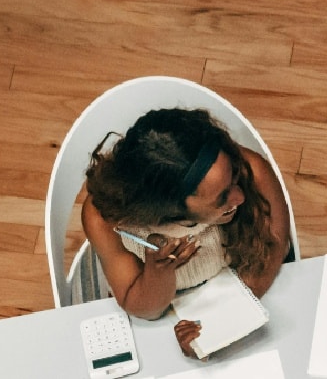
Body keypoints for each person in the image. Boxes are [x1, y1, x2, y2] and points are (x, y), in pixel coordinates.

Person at [81, 108, 292, 358]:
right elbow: (145, 310)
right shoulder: (103, 220)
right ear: (169, 211)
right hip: (165, 309)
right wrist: (159, 273)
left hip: (242, 286)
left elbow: (270, 254)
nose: (240, 197)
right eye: (222, 198)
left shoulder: (252, 169)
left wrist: (217, 329)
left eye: (234, 177)